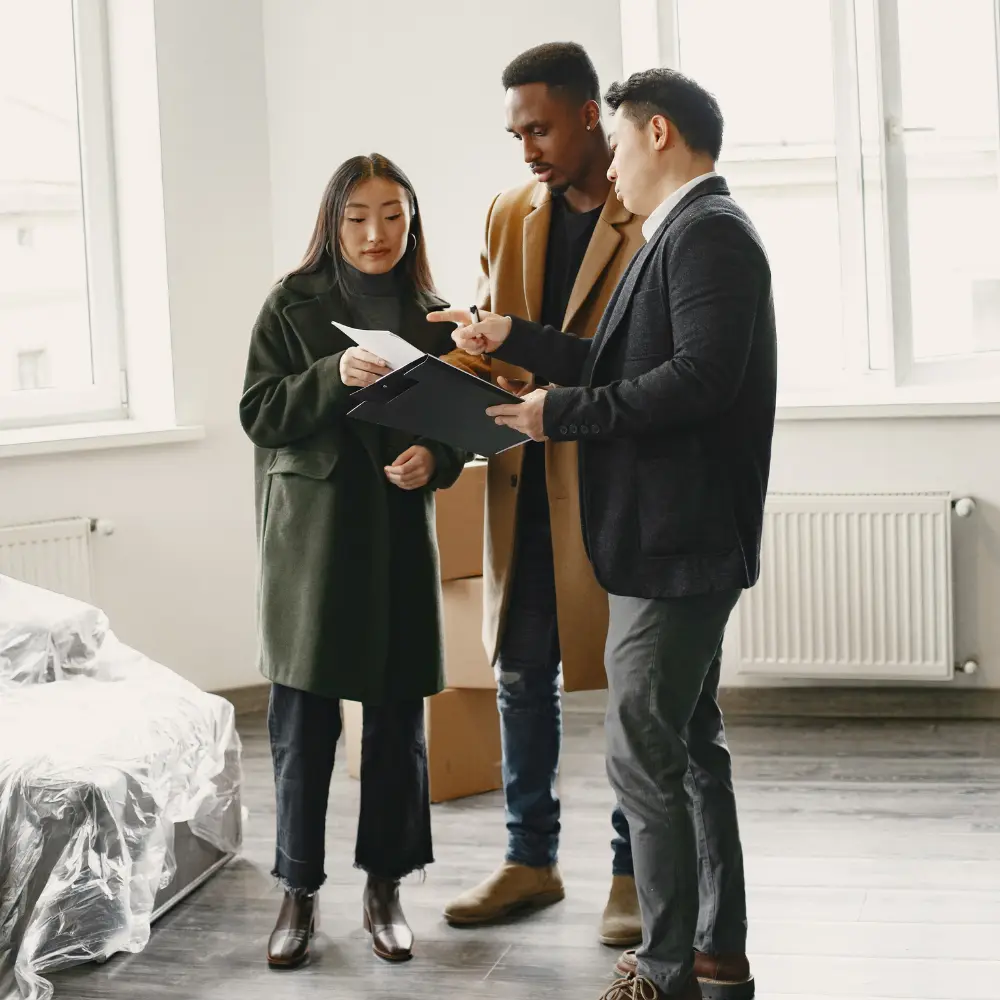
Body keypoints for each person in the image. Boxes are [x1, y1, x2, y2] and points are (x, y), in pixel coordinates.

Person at [434, 67, 776, 1000]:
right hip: (668, 542)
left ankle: (661, 970)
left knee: (644, 752)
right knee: (689, 749)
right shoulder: (684, 233)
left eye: (618, 144)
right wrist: (512, 337)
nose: (611, 166)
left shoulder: (708, 234)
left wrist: (560, 415)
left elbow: (699, 382)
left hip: (677, 546)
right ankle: (715, 954)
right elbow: (614, 359)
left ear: (657, 133)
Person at [240, 154, 467, 970]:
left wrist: (435, 461)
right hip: (312, 543)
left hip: (397, 538)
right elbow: (260, 412)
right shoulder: (291, 304)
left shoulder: (436, 317)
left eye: (394, 216)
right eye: (359, 217)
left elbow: (457, 427)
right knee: (303, 725)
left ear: (414, 221)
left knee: (398, 724)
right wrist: (331, 374)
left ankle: (386, 888)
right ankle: (297, 890)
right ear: (333, 222)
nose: (377, 234)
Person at [440, 42, 645, 946]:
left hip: (614, 486)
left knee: (633, 689)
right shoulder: (509, 211)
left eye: (541, 129)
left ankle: (636, 870)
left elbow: (640, 364)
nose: (527, 149)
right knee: (522, 676)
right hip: (523, 482)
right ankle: (531, 860)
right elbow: (497, 348)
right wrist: (446, 366)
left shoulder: (650, 214)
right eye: (516, 134)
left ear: (590, 114)